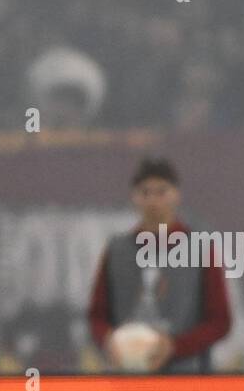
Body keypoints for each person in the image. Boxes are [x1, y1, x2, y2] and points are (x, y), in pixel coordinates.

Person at [88, 158, 231, 373]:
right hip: (127, 380)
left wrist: (175, 346)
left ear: (177, 195)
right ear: (134, 197)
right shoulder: (117, 250)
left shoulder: (201, 249)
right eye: (145, 193)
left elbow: (220, 320)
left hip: (186, 380)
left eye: (161, 192)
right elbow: (97, 315)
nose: (153, 201)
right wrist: (109, 341)